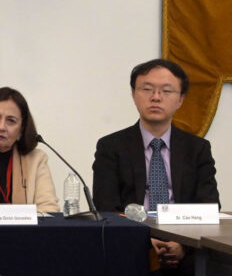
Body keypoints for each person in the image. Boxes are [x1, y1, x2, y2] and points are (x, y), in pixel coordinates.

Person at [93, 59, 219, 271]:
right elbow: (106, 207)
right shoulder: (111, 146)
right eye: (147, 89)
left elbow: (209, 206)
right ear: (134, 95)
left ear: (180, 100)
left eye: (166, 91)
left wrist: (183, 245)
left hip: (185, 249)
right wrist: (143, 241)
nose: (156, 97)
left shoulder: (197, 149)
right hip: (130, 246)